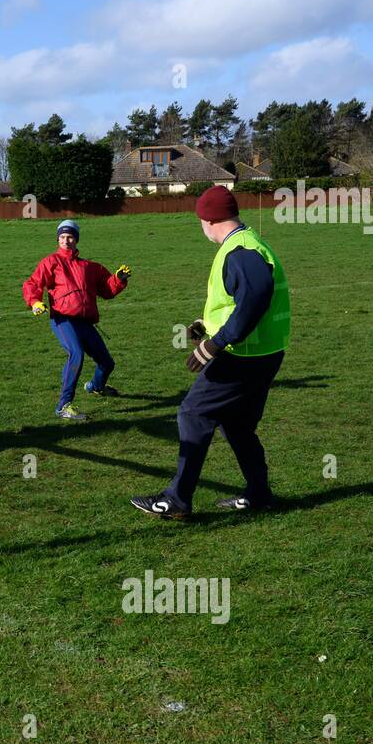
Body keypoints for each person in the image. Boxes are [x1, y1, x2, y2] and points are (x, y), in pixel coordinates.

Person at [131, 186, 290, 519]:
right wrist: (208, 326)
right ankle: (259, 494)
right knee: (237, 424)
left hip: (244, 355)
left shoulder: (240, 251)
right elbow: (238, 300)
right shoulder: (246, 243)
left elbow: (256, 296)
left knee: (193, 413)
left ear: (207, 219)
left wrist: (218, 342)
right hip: (265, 351)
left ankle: (177, 498)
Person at [22, 220, 129, 421]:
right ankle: (64, 405)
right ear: (57, 239)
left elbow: (107, 289)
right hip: (62, 320)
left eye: (70, 237)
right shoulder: (51, 262)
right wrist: (35, 301)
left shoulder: (89, 267)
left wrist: (119, 279)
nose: (66, 241)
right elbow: (33, 283)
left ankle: (96, 387)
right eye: (62, 237)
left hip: (85, 322)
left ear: (76, 239)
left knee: (107, 363)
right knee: (76, 354)